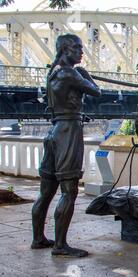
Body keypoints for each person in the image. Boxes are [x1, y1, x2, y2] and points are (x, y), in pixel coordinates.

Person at [31, 34, 101, 257]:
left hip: (54, 131)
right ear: (64, 49)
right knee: (68, 191)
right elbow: (96, 91)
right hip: (69, 131)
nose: (81, 52)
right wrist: (85, 73)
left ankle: (39, 238)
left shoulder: (53, 72)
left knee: (46, 192)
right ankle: (60, 245)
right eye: (77, 48)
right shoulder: (70, 72)